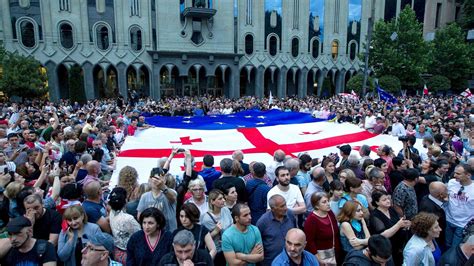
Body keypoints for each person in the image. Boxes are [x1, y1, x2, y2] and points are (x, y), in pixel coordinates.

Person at [369, 190, 411, 265]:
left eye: (388, 198)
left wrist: (405, 224)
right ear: (377, 202)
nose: (388, 201)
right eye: (384, 200)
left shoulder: (391, 209)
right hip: (388, 248)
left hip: (400, 245)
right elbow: (383, 235)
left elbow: (399, 223)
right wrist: (398, 225)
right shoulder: (375, 216)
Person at [256, 195, 296, 266]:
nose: (286, 208)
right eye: (282, 206)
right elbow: (257, 244)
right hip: (271, 261)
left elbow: (296, 233)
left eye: (285, 204)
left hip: (291, 260)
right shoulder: (263, 222)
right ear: (273, 209)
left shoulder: (290, 214)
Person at [304, 192, 341, 265]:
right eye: (324, 202)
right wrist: (318, 259)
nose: (328, 204)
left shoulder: (330, 213)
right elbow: (310, 242)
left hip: (335, 252)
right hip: (322, 256)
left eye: (328, 201)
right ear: (316, 206)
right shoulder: (311, 220)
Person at [137, 167, 177, 232]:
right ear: (150, 179)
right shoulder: (145, 196)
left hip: (169, 232)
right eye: (155, 179)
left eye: (159, 179)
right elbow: (140, 217)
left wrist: (163, 187)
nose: (157, 181)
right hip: (152, 233)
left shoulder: (170, 192)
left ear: (164, 180)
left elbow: (173, 198)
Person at [108, 187, 141, 264]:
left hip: (116, 251)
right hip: (129, 253)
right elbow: (140, 234)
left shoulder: (111, 212)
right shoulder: (128, 218)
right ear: (125, 200)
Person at [200, 189, 233, 265]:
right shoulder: (207, 218)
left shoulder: (225, 210)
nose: (224, 200)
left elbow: (231, 225)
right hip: (218, 251)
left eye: (223, 198)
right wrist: (215, 231)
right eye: (220, 199)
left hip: (229, 247)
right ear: (212, 201)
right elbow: (204, 239)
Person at [445, 163, 474, 249]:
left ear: (468, 175)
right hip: (449, 220)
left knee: (455, 248)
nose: (454, 175)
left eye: (458, 174)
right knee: (447, 245)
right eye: (455, 173)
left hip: (463, 224)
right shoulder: (451, 182)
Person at [419, 181, 448, 250]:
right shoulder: (430, 209)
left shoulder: (428, 197)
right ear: (441, 195)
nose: (448, 192)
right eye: (446, 190)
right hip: (436, 239)